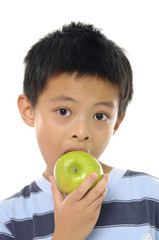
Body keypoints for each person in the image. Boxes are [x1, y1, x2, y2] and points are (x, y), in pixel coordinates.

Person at [0, 22, 158, 240]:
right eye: (63, 111)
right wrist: (67, 235)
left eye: (100, 116)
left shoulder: (150, 196)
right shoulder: (8, 218)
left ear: (117, 123)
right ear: (29, 110)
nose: (82, 131)